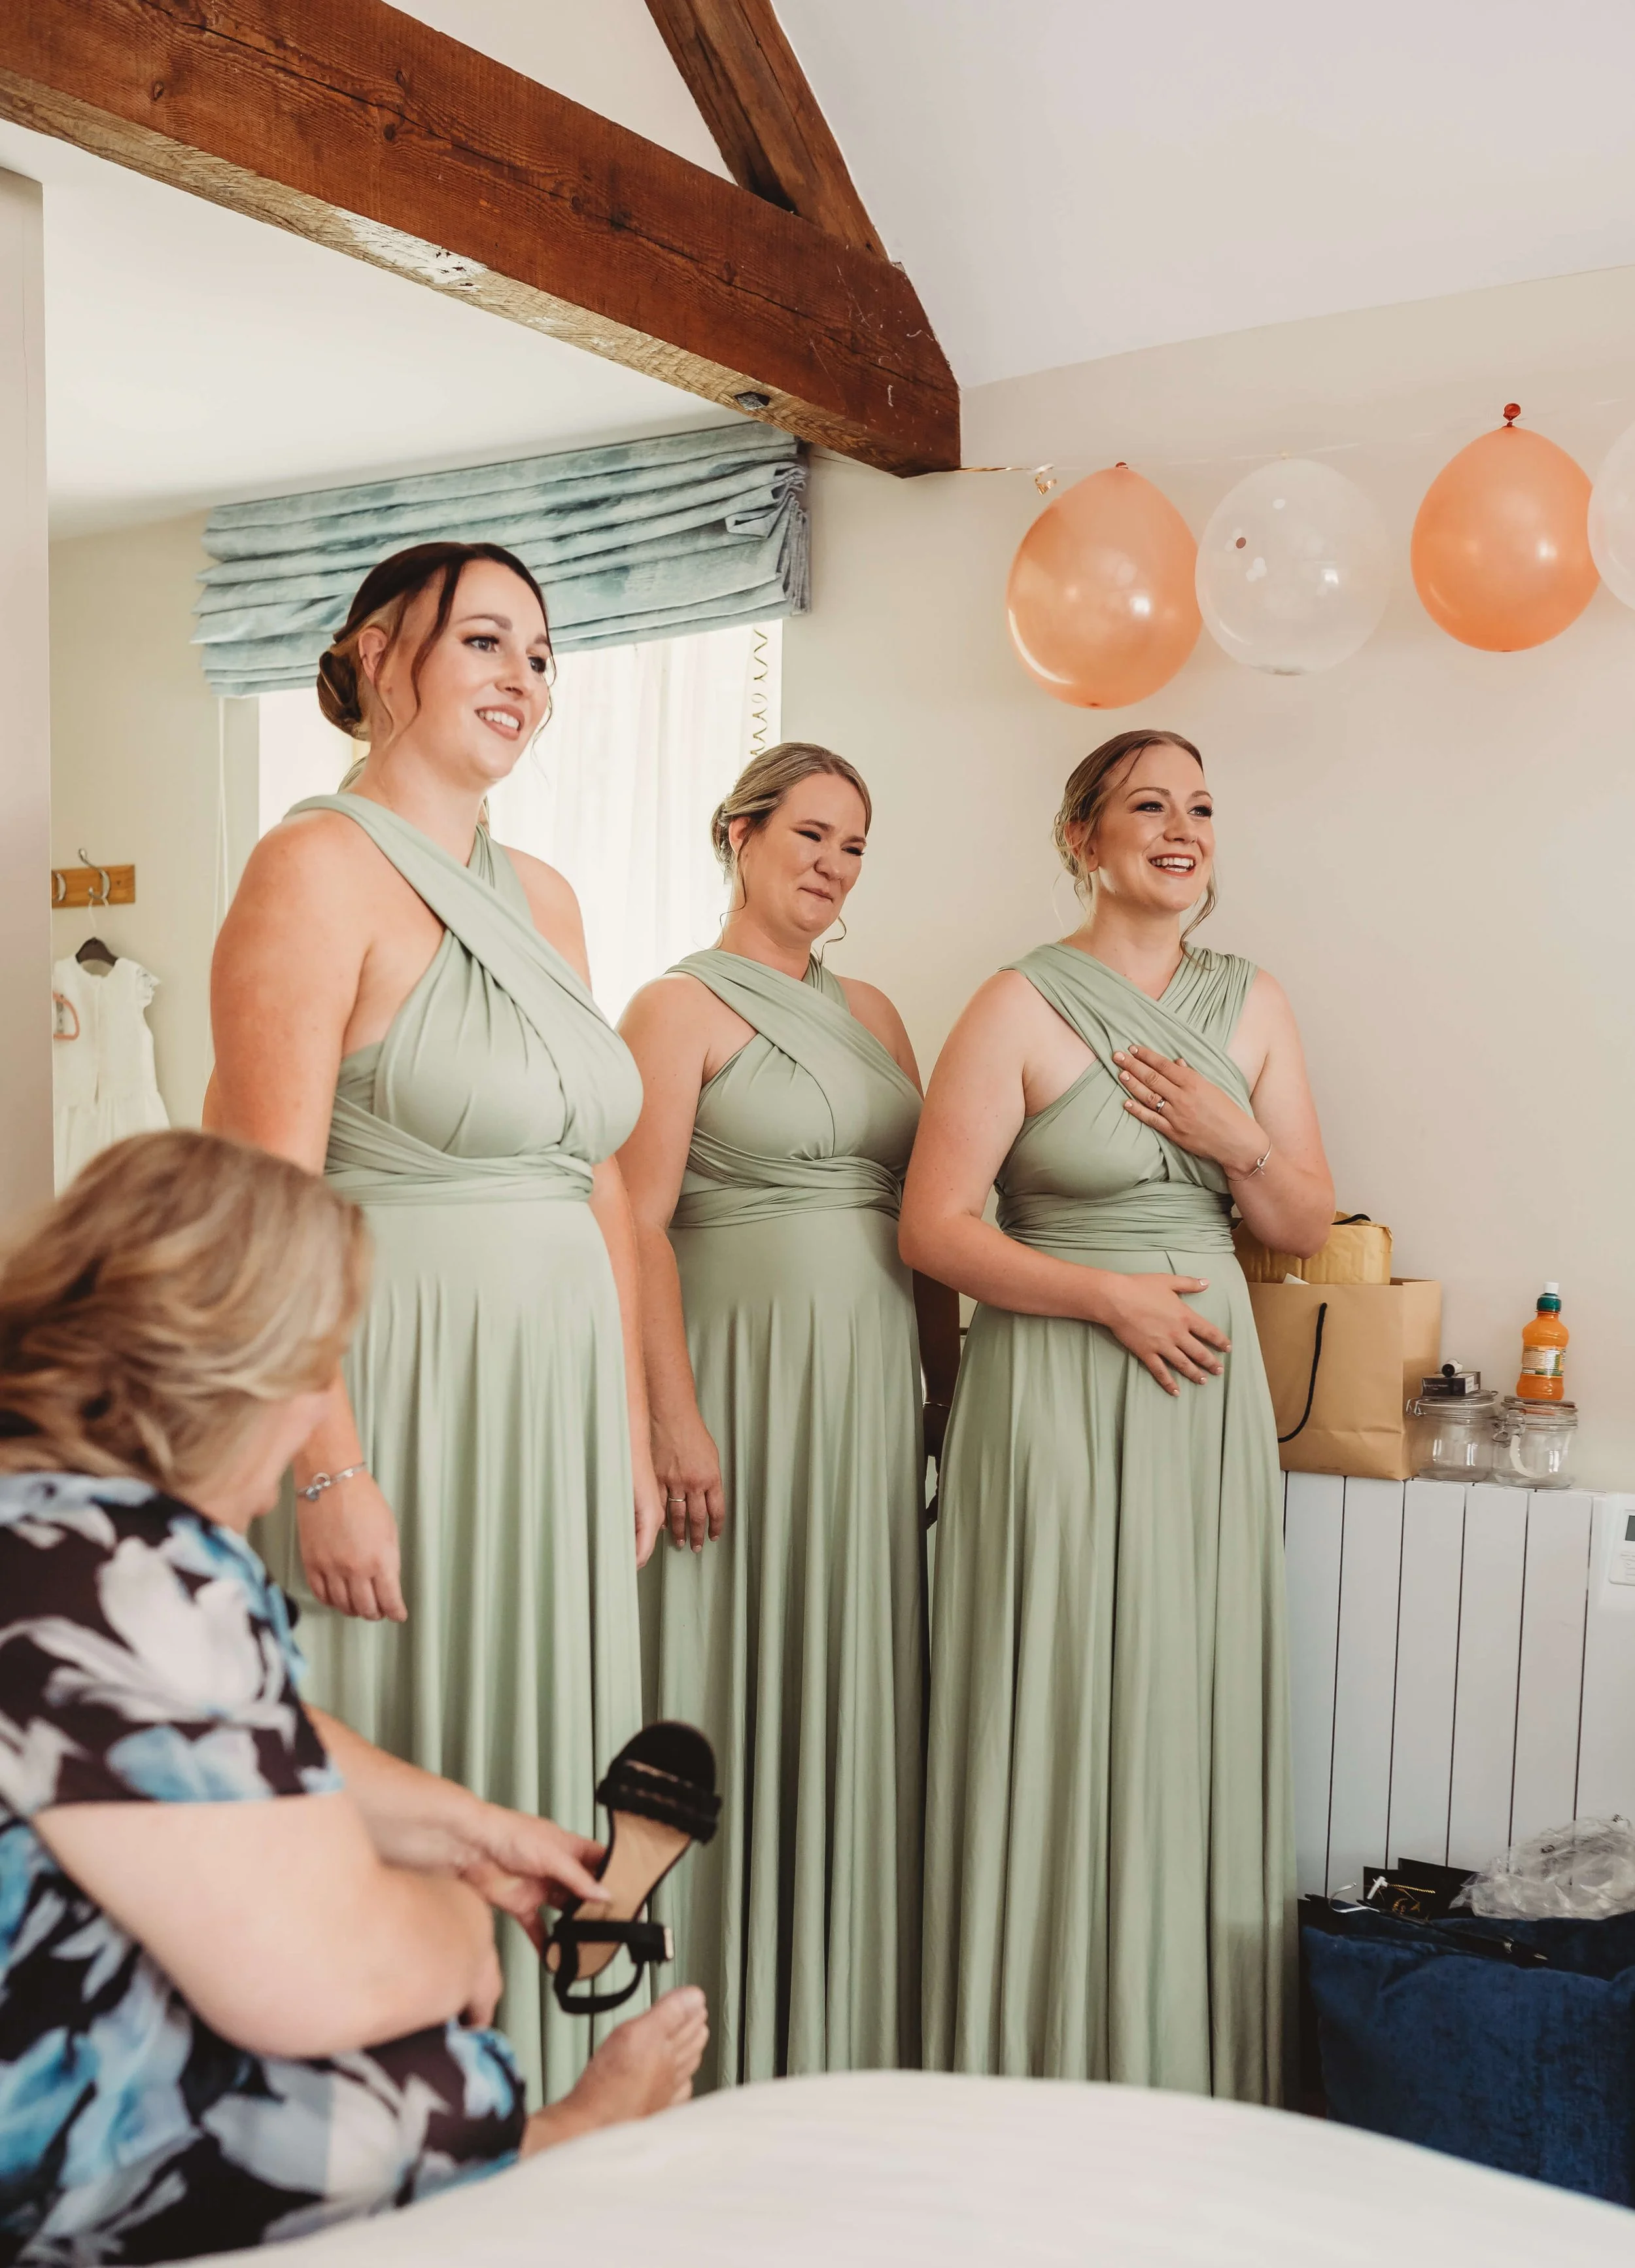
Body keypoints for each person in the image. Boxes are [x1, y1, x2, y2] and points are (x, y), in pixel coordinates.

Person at [0, 1131, 707, 2266]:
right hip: (41, 2162)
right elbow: (315, 1978)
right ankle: (557, 2135)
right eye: (322, 1365)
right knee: (416, 2059)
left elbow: (206, 1732)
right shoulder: (133, 1572)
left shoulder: (44, 1517)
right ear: (253, 1371)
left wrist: (463, 1824)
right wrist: (458, 1925)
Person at [207, 542, 661, 2102]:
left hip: (555, 1398)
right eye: (484, 639)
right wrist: (325, 1464)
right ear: (379, 655)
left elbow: (594, 1175)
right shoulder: (314, 865)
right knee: (418, 1741)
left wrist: (628, 1425)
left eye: (541, 650)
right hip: (401, 1388)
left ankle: (549, 2112)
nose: (522, 677)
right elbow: (266, 1195)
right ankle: (406, 2134)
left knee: (550, 1751)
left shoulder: (547, 896)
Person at [904, 729, 1333, 2100]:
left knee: (1178, 1705)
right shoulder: (1015, 1005)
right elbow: (932, 1229)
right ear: (1080, 837)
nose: (1180, 827)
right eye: (1147, 804)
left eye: (1200, 805)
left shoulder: (1252, 1002)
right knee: (1058, 1702)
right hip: (1052, 1404)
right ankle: (1031, 2052)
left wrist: (1235, 1137)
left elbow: (1302, 1220)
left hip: (1199, 1408)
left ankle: (1177, 2054)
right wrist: (1103, 1299)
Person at [617, 744, 959, 2086]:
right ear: (740, 835)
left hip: (868, 1390)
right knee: (723, 1672)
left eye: (854, 845)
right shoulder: (673, 1006)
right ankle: (697, 2006)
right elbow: (632, 1221)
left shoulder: (876, 1014)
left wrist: (942, 1382)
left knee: (852, 1666)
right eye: (810, 834)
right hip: (736, 1377)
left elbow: (922, 1220)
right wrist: (672, 1420)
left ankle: (839, 2010)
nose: (831, 864)